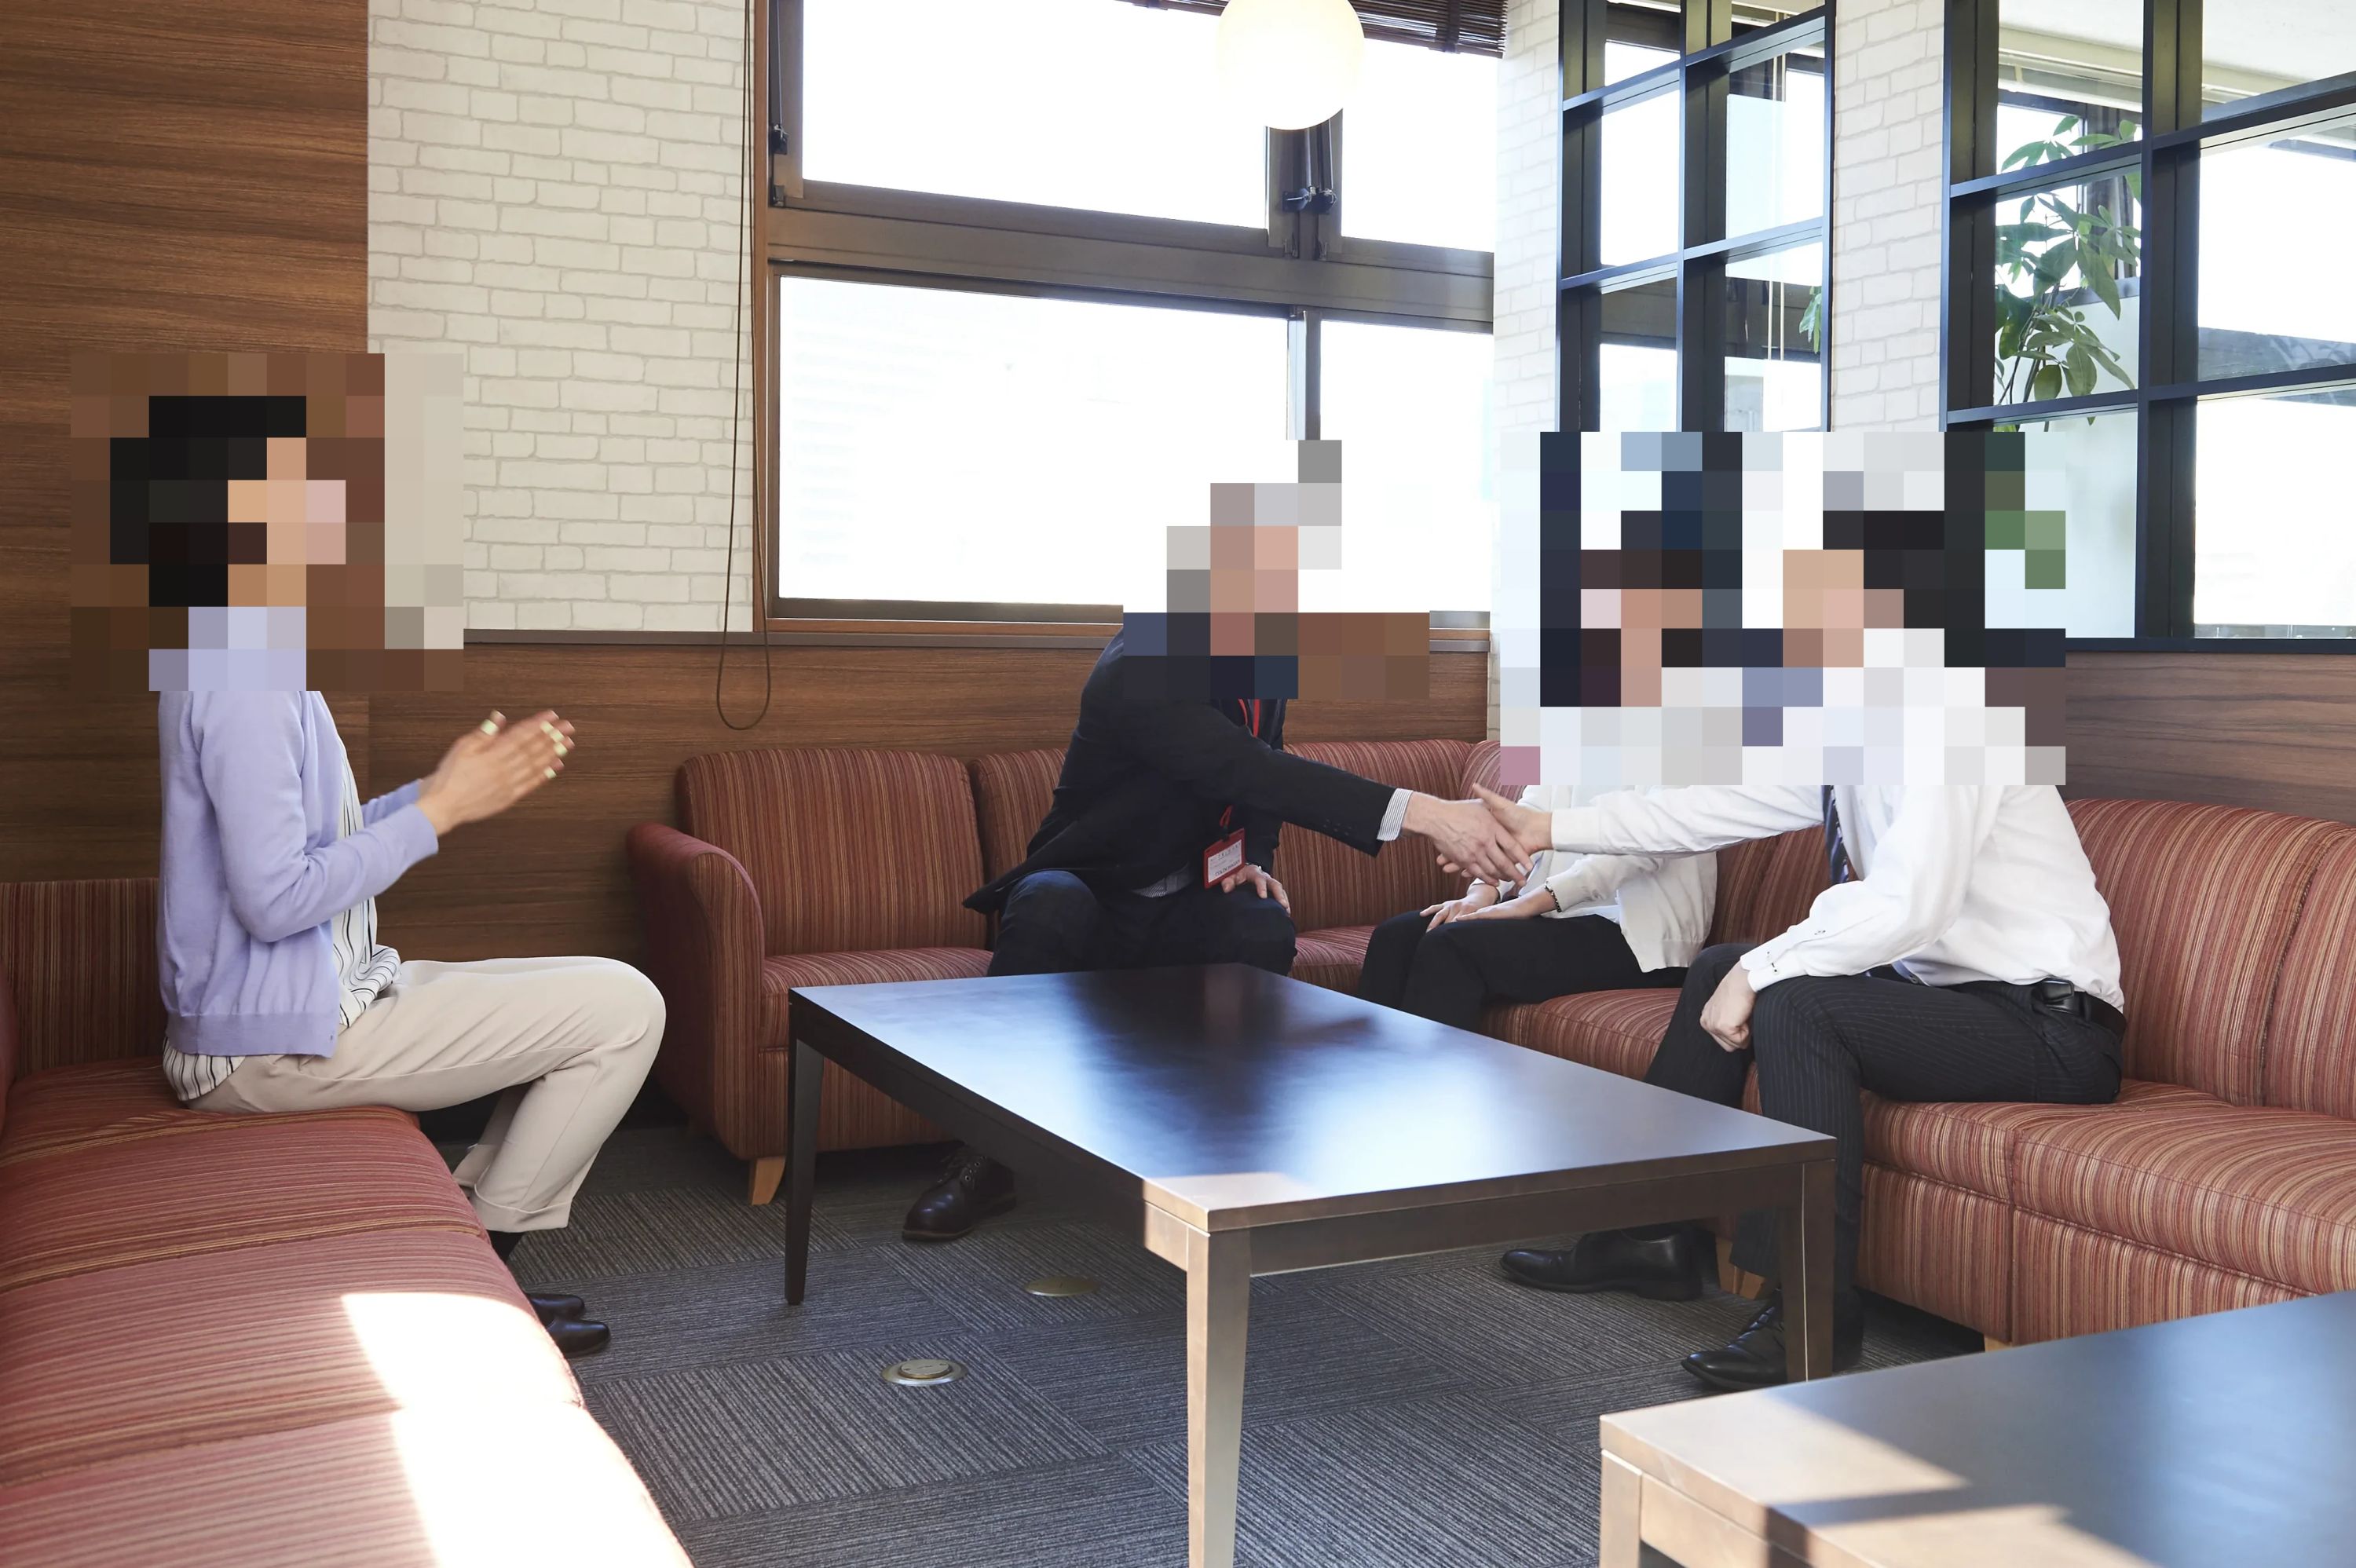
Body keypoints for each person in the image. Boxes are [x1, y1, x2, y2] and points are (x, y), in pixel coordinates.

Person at [1469, 783, 2125, 1391]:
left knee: (1793, 1002)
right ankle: (1648, 1237)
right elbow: (1712, 805)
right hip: (1953, 1000)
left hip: (2050, 1026)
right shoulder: (1854, 733)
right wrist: (1548, 826)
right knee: (1719, 967)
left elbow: (1912, 905)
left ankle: (1818, 1312)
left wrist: (1762, 968)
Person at [899, 626, 1535, 1242]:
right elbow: (1247, 766)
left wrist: (1252, 856)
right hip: (1096, 887)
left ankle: (1227, 1151)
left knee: (1259, 924)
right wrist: (1427, 813)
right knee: (1048, 904)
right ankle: (983, 1159)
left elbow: (1263, 768)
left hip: (1188, 895)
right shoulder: (1142, 660)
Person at [157, 692, 666, 1358]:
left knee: (604, 984)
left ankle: (472, 1264)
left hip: (319, 999)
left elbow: (317, 845)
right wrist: (441, 809)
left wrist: (438, 791)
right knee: (626, 1010)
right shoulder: (245, 679)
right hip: (271, 1041)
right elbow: (275, 899)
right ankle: (475, 1294)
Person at [1356, 781, 1714, 1031]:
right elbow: (1526, 818)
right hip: (1554, 915)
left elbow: (1643, 846)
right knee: (1397, 937)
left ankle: (1429, 1106)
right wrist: (1483, 891)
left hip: (1638, 938)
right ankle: (1373, 1095)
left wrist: (1533, 901)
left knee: (1451, 947)